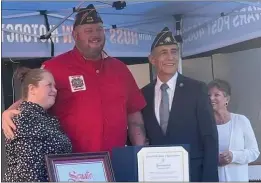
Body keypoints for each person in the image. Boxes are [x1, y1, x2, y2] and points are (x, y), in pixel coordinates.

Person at [2, 4, 146, 154]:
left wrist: (141, 154)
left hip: (116, 162)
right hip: (73, 165)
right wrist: (8, 112)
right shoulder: (54, 67)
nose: (95, 35)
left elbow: (134, 117)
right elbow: (31, 100)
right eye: (88, 31)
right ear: (75, 35)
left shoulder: (120, 69)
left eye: (99, 29)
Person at [141, 27, 219, 182]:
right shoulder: (143, 94)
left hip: (193, 175)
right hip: (155, 176)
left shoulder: (197, 89)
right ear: (152, 59)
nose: (170, 57)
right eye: (164, 52)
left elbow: (210, 138)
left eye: (174, 51)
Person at [3, 67, 72, 182]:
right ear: (32, 89)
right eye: (49, 85)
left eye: (55, 86)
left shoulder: (45, 119)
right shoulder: (25, 118)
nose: (55, 90)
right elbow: (29, 172)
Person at [208, 79, 260, 182]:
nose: (211, 98)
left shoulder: (241, 121)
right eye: (208, 95)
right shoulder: (204, 124)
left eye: (216, 95)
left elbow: (254, 152)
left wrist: (233, 156)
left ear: (226, 99)